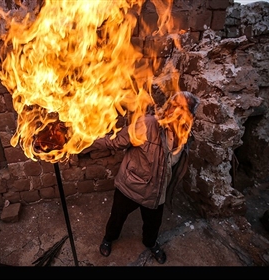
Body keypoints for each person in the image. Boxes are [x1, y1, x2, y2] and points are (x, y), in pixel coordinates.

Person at [81, 91, 200, 264]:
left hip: (157, 190)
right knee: (117, 217)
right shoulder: (147, 125)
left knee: (153, 224)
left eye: (183, 109)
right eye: (174, 106)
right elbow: (113, 142)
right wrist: (81, 143)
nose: (175, 111)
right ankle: (108, 238)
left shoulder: (184, 135)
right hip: (131, 186)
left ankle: (150, 243)